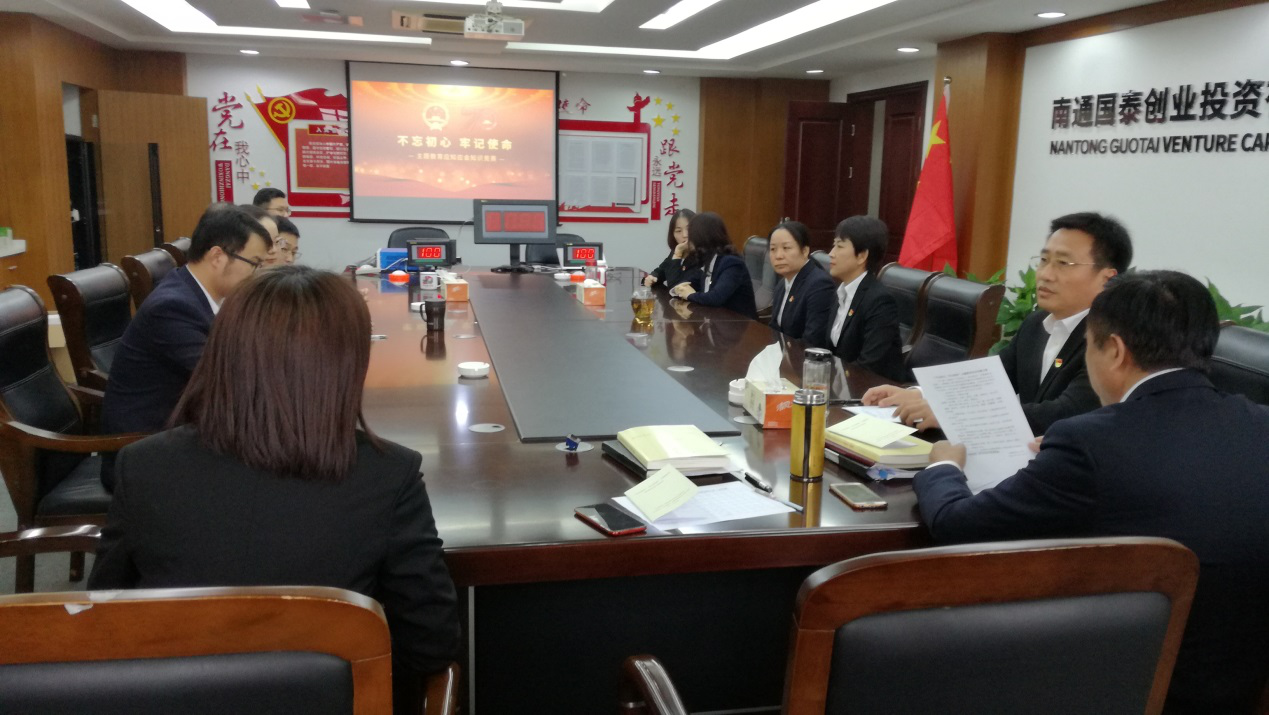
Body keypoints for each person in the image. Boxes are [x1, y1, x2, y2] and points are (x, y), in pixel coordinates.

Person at [89, 266, 462, 712]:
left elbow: (104, 619)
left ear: (223, 352)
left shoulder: (143, 465)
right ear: (349, 363)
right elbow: (430, 643)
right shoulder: (388, 474)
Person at [912, 270, 1269, 714]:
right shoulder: (1260, 424)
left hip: (1109, 686)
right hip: (1234, 688)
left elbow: (956, 525)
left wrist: (944, 465)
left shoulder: (1088, 442)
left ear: (1114, 351)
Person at [864, 211, 1132, 433]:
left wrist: (954, 414)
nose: (1046, 274)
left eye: (1063, 263)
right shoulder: (1037, 324)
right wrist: (919, 395)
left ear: (1106, 278)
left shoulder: (1112, 341)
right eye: (1044, 260)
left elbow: (1063, 412)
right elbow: (989, 380)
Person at [100, 205, 273, 490]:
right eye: (254, 263)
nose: (256, 274)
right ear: (217, 256)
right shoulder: (173, 307)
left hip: (179, 434)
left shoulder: (197, 294)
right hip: (143, 454)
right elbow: (228, 380)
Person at [825, 216, 909, 382]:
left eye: (839, 246)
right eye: (834, 245)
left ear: (862, 256)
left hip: (872, 389)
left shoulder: (880, 301)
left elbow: (870, 365)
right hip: (842, 384)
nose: (831, 253)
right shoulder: (841, 293)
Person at [669, 212, 758, 319]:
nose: (688, 240)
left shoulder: (732, 263)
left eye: (691, 235)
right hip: (714, 322)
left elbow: (715, 298)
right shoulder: (708, 261)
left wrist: (690, 295)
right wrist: (680, 289)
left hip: (738, 325)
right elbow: (682, 284)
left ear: (702, 237)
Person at [767, 220, 835, 346]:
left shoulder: (819, 285)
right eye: (773, 249)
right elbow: (774, 329)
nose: (778, 255)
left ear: (804, 251)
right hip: (783, 353)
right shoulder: (782, 284)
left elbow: (813, 340)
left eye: (786, 248)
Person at [645, 208, 695, 288]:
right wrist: (652, 277)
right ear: (672, 235)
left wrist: (677, 254)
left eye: (689, 229)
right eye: (678, 231)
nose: (685, 235)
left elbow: (676, 288)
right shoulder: (675, 251)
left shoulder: (702, 255)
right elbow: (662, 270)